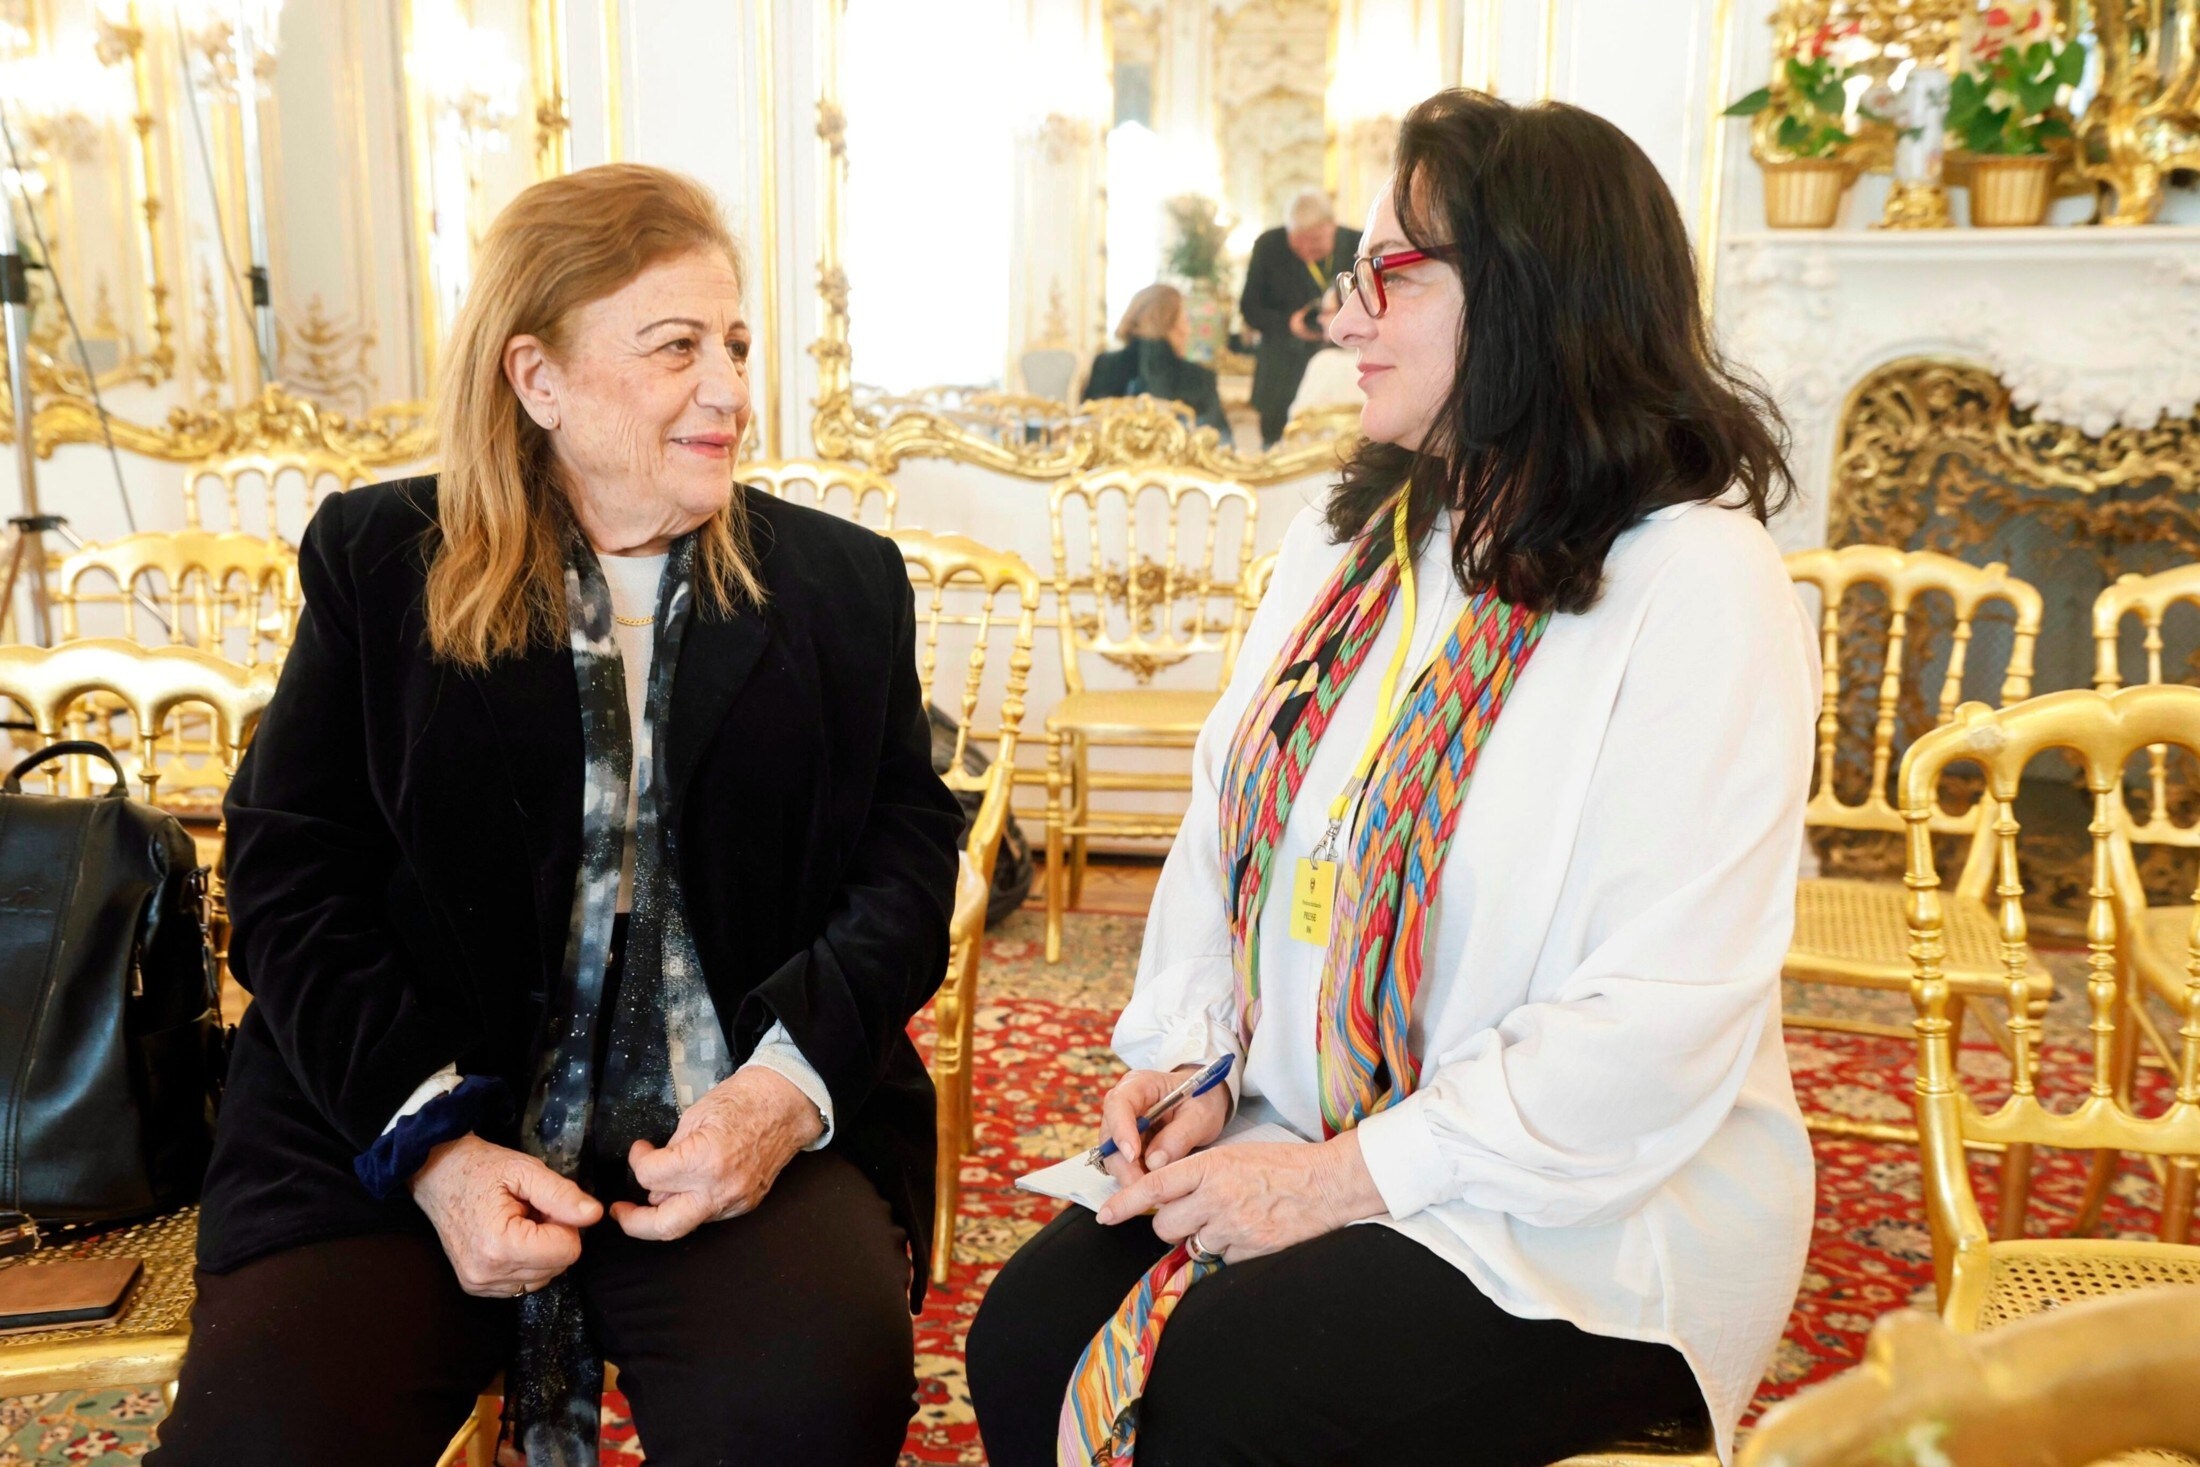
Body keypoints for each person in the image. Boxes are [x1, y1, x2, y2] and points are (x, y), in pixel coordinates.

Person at [968, 90, 1817, 1467]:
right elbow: (1232, 836)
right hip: (1303, 1124)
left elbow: (1660, 1013)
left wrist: (1338, 1180)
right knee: (1021, 1336)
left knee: (1229, 1390)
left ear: (1538, 294)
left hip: (1577, 1206)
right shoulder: (1349, 541)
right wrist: (1195, 1062)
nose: (1338, 317)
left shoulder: (1697, 583)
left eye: (1390, 275)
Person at [149, 164, 962, 1467]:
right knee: (264, 1440)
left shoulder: (839, 584)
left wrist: (782, 1091)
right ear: (538, 379)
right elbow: (291, 877)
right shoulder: (380, 561)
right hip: (398, 1102)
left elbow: (904, 864)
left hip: (729, 1109)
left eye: (735, 343)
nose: (731, 389)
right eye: (676, 347)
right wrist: (433, 1150)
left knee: (808, 1414)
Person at [1238, 189, 1360, 448]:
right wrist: (1289, 323)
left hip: (1342, 362)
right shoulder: (1269, 246)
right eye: (1297, 243)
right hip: (1281, 370)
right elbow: (1249, 307)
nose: (1305, 250)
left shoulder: (1357, 244)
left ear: (1332, 227)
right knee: (1275, 450)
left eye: (1314, 241)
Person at [1083, 283, 1229, 438]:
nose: (1189, 330)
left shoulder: (1104, 365)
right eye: (1186, 320)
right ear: (1169, 324)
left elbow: (1086, 433)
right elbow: (1220, 442)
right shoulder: (1199, 378)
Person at [1285, 281, 1366, 423]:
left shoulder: (1325, 362)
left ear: (1346, 312)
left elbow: (1298, 419)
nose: (1320, 319)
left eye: (1326, 312)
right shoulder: (1379, 359)